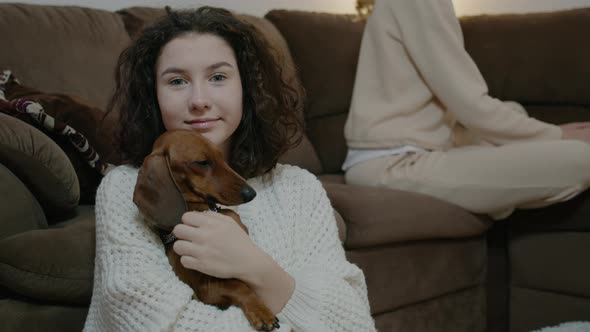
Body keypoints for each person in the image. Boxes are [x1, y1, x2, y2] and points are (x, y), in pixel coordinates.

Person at [83, 7, 375, 332]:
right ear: (153, 96)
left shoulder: (299, 189)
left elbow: (354, 322)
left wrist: (254, 265)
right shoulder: (123, 188)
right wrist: (294, 315)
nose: (199, 100)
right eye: (177, 81)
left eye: (218, 77)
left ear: (245, 87)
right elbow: (150, 323)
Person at [344, 0, 590, 219]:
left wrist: (546, 136)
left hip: (422, 145)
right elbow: (471, 105)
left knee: (514, 111)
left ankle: (490, 197)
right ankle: (492, 198)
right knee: (582, 159)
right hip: (393, 163)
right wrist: (557, 135)